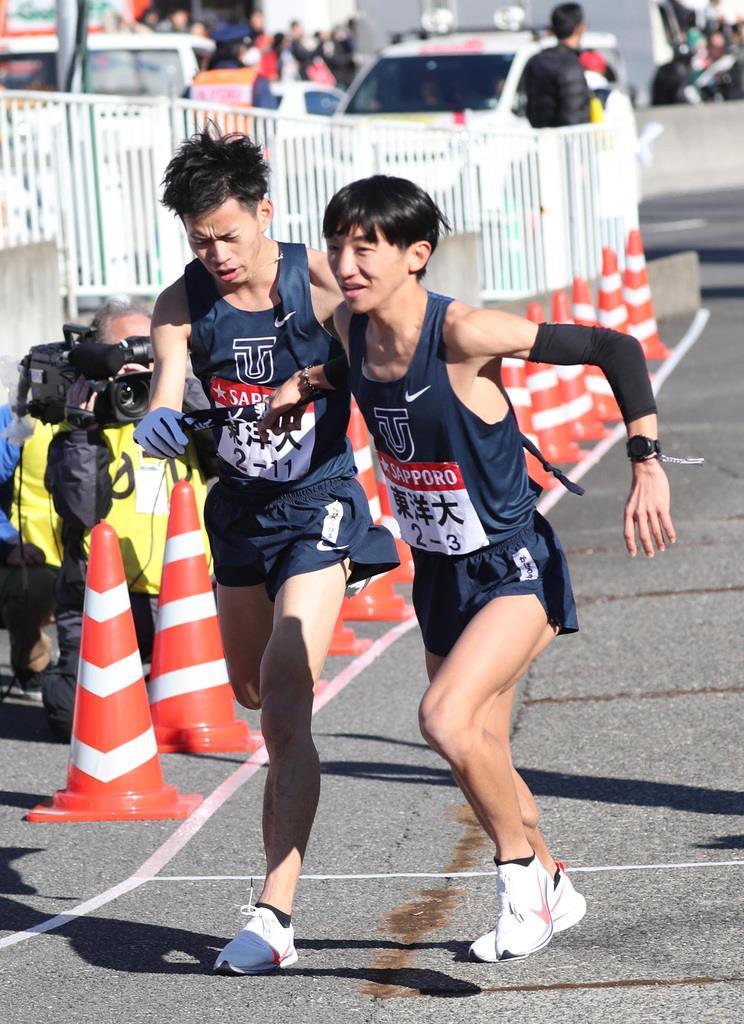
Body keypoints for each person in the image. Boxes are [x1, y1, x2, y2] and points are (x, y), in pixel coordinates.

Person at [262, 174, 676, 964]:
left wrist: (646, 460)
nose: (347, 262)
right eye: (338, 244)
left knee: (444, 718)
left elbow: (612, 346)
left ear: (416, 255)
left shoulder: (466, 332)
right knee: (478, 746)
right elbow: (352, 371)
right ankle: (555, 881)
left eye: (367, 247)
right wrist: (304, 382)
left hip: (514, 565)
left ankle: (521, 882)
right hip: (439, 575)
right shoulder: (351, 330)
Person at [133, 130, 398, 974]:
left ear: (265, 215)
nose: (215, 254)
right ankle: (273, 901)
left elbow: (389, 349)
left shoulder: (321, 282)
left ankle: (274, 913)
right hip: (240, 514)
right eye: (199, 240)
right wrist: (159, 417)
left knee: (285, 697)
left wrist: (319, 383)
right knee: (251, 691)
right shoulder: (181, 304)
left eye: (229, 235)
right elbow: (167, 383)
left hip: (319, 504)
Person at [40, 297, 212, 741]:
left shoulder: (177, 409)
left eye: (146, 349)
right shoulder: (79, 429)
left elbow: (224, 447)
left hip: (181, 597)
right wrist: (82, 426)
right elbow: (81, 509)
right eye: (124, 352)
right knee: (72, 718)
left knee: (192, 713)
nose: (135, 363)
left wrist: (172, 379)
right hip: (107, 602)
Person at [0, 405, 57, 701]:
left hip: (124, 565)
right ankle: (34, 661)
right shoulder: (16, 413)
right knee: (32, 588)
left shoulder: (136, 405)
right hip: (34, 563)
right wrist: (6, 543)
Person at [524, 3, 592, 127]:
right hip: (566, 140)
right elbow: (573, 115)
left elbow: (531, 110)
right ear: (580, 28)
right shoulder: (570, 64)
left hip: (541, 138)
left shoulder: (536, 61)